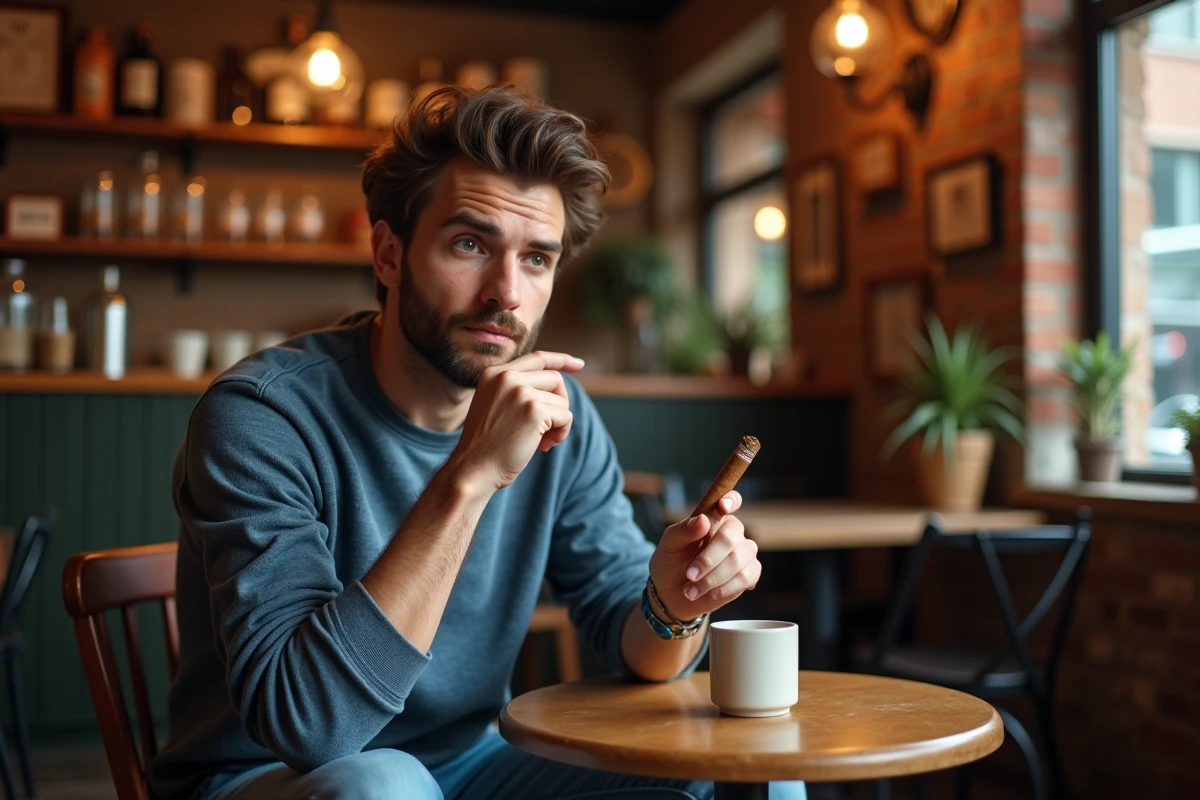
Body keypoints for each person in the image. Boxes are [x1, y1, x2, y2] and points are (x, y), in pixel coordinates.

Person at [148, 86, 805, 800]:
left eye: (537, 260)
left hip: (468, 764)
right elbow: (308, 724)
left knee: (748, 768)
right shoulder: (263, 416)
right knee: (382, 786)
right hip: (268, 775)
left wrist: (674, 604)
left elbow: (641, 646)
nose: (507, 294)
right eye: (470, 244)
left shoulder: (560, 412)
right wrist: (472, 473)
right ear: (389, 253)